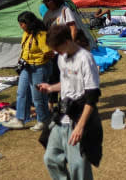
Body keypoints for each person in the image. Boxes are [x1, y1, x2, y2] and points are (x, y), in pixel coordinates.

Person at [38, 24, 103, 179]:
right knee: (51, 158)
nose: (56, 51)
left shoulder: (85, 59)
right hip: (61, 117)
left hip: (78, 119)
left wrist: (80, 127)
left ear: (67, 41)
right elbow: (66, 83)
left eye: (57, 47)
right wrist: (51, 88)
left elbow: (92, 97)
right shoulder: (62, 57)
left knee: (78, 167)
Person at [9, 12, 52, 130]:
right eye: (20, 24)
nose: (21, 26)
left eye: (22, 23)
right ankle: (20, 119)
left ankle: (42, 120)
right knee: (21, 92)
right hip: (26, 67)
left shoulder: (41, 35)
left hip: (39, 68)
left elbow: (49, 52)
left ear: (29, 23)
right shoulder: (26, 34)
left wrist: (40, 59)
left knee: (37, 97)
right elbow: (24, 48)